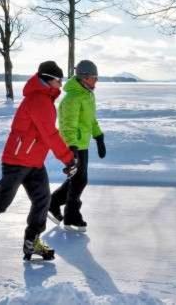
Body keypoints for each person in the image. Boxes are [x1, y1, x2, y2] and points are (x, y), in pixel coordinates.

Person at [0, 61, 78, 270]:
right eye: (59, 80)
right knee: (0, 202)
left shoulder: (44, 98)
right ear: (48, 79)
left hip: (33, 161)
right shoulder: (39, 99)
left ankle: (32, 242)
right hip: (16, 161)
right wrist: (68, 159)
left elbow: (45, 134)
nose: (61, 84)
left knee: (42, 199)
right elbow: (50, 134)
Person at [48, 59, 106, 232]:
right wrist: (71, 146)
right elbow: (67, 125)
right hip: (74, 145)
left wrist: (99, 136)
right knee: (79, 180)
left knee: (77, 179)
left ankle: (53, 202)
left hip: (82, 144)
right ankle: (71, 215)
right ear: (84, 77)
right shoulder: (72, 98)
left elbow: (90, 119)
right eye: (94, 77)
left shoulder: (87, 94)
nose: (96, 81)